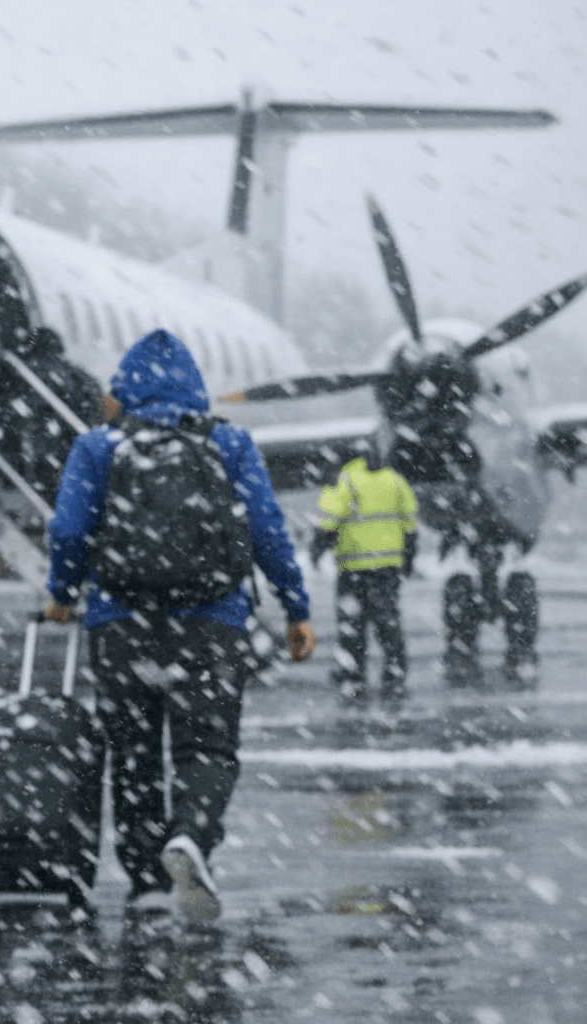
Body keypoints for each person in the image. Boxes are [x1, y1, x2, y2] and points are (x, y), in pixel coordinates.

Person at [43, 329, 315, 923]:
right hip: (212, 621)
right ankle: (190, 836)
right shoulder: (229, 443)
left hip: (121, 623)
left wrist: (61, 595)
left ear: (125, 391)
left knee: (134, 754)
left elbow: (68, 531)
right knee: (208, 748)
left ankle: (145, 882)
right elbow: (267, 529)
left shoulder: (98, 447)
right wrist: (295, 607)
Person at [310, 448, 420, 707]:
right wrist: (408, 557)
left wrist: (317, 548)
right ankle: (394, 676)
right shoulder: (395, 480)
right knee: (388, 624)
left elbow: (328, 519)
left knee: (352, 626)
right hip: (387, 568)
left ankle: (353, 677)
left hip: (354, 569)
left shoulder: (346, 481)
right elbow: (410, 522)